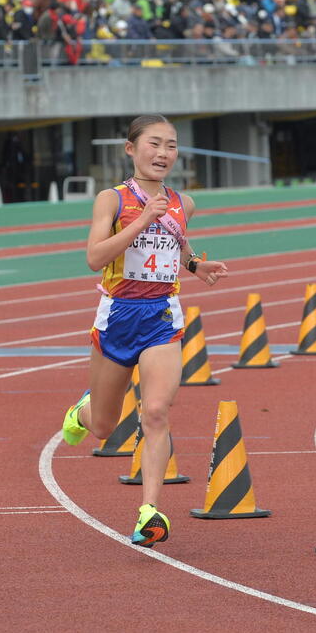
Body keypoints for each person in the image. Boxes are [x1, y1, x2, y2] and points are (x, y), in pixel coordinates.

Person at [61, 115, 229, 548]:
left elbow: (177, 244)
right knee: (103, 426)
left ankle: (149, 513)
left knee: (155, 411)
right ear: (131, 149)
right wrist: (140, 221)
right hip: (118, 316)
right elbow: (94, 258)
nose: (163, 153)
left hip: (161, 318)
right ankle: (82, 411)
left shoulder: (182, 202)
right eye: (154, 144)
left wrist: (196, 265)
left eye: (171, 146)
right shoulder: (111, 200)